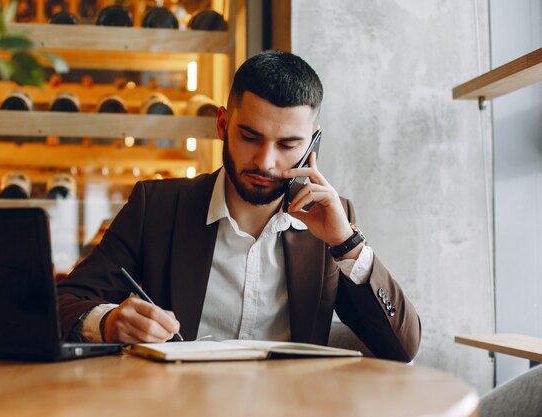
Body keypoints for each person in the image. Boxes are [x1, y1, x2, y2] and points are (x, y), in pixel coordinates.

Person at [57, 50, 421, 362]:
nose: (265, 161)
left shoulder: (333, 225)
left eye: (288, 144)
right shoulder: (157, 207)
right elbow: (62, 304)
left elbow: (402, 347)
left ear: (313, 143)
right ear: (222, 124)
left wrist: (346, 243)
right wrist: (107, 322)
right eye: (250, 137)